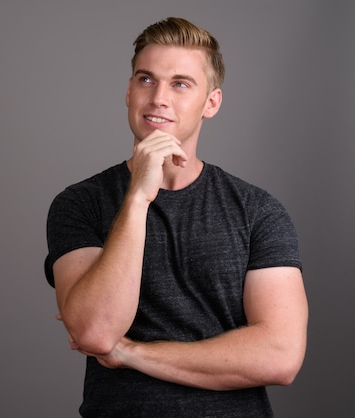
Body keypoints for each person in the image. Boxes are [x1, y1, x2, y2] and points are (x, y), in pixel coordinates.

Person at [44, 17, 308, 417]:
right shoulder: (81, 203)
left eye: (181, 83)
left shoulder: (257, 210)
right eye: (146, 79)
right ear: (129, 90)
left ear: (211, 103)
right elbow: (96, 332)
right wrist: (137, 198)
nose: (158, 98)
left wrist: (131, 353)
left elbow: (280, 356)